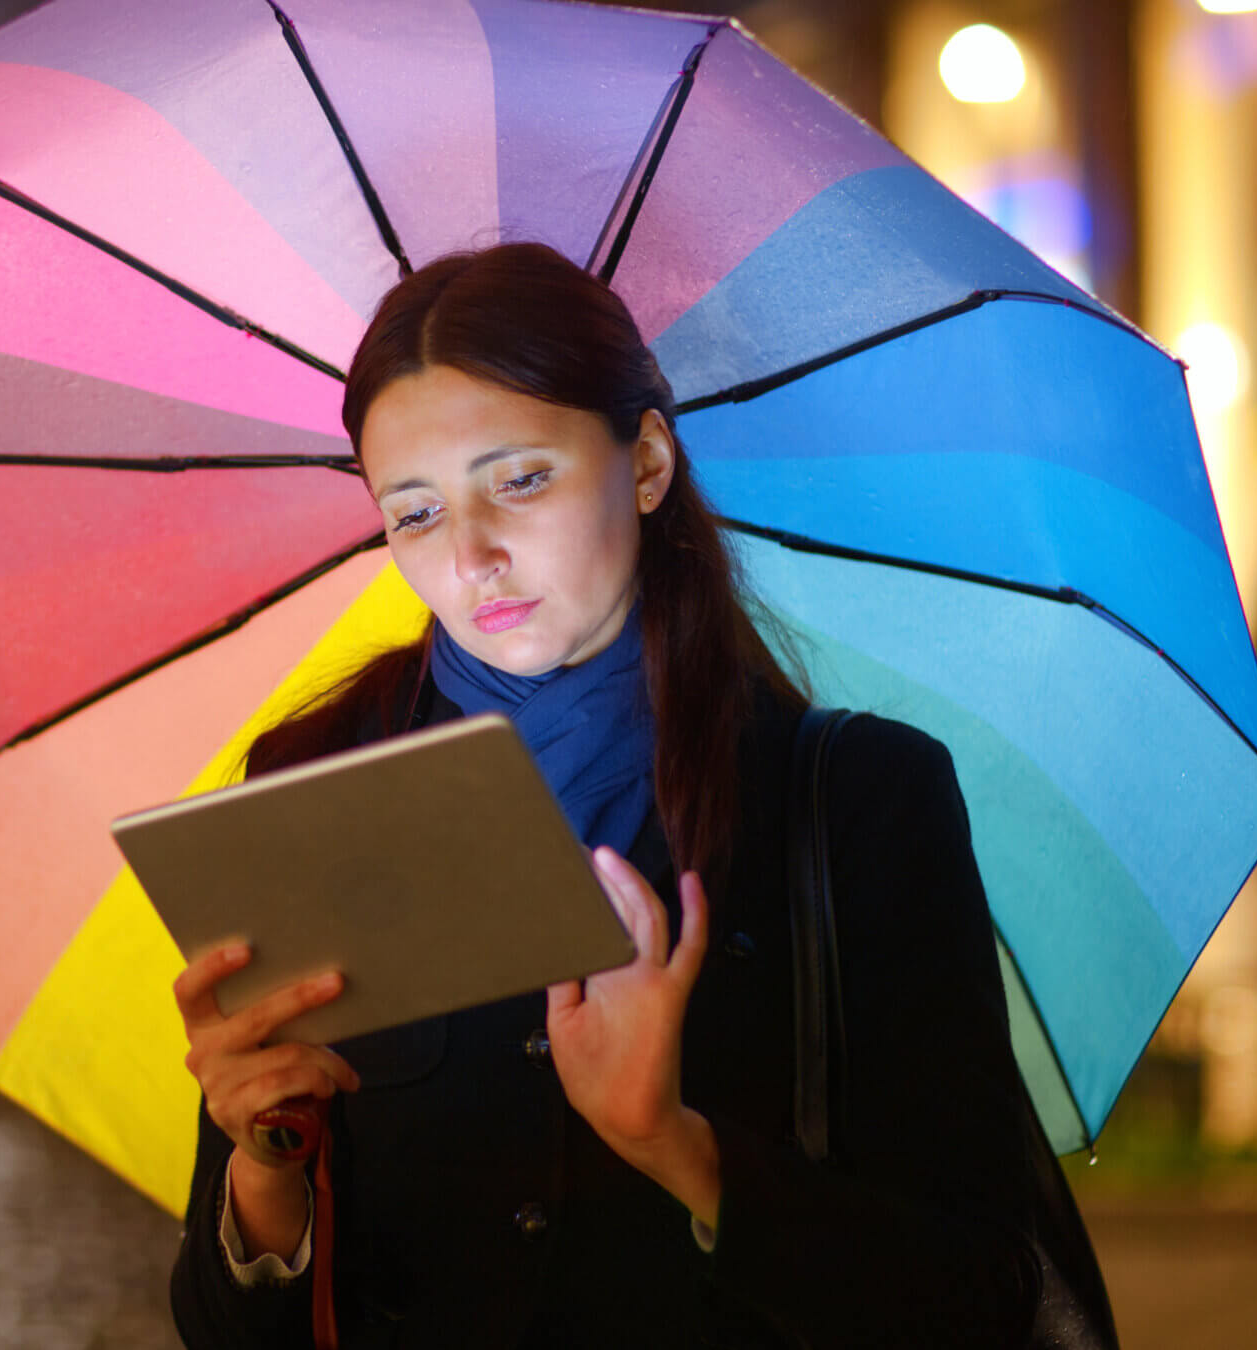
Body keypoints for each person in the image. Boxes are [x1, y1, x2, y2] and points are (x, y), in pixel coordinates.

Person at [167, 243, 1096, 1347]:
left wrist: (676, 1146)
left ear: (647, 462)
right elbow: (225, 1331)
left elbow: (974, 1292)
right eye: (414, 513)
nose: (474, 555)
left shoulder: (856, 800)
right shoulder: (315, 783)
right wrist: (264, 1163)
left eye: (519, 480)